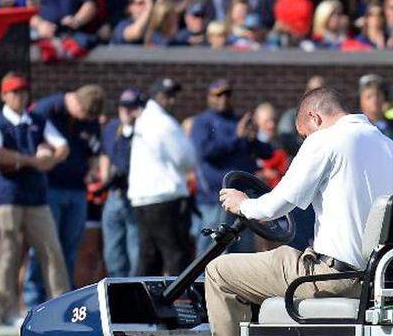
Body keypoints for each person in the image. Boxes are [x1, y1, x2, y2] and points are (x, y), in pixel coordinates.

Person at [188, 85, 393, 336]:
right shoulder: (389, 146)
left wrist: (242, 204)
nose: (305, 141)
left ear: (314, 118)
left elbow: (275, 205)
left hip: (330, 274)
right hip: (374, 276)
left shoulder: (327, 139)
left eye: (304, 135)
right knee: (276, 258)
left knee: (219, 271)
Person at [0, 73, 71, 325]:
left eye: (23, 91)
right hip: (5, 198)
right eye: (14, 92)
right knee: (5, 256)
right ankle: (8, 312)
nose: (20, 96)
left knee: (51, 251)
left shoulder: (38, 120)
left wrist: (50, 160)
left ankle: (61, 309)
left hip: (36, 197)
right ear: (3, 95)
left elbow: (62, 146)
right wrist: (34, 160)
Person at [24, 84, 105, 306]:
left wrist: (92, 169)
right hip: (49, 187)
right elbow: (30, 142)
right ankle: (34, 299)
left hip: (77, 188)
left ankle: (61, 301)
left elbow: (94, 152)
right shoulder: (46, 110)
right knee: (44, 245)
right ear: (77, 103)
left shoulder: (89, 119)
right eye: (85, 114)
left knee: (70, 246)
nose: (85, 119)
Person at [190, 78, 274, 254]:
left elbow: (267, 152)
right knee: (213, 253)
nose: (223, 99)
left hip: (242, 200)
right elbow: (206, 152)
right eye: (218, 95)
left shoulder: (238, 121)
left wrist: (252, 139)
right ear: (209, 97)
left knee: (242, 254)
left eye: (227, 94)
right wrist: (236, 137)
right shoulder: (203, 122)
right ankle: (205, 282)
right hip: (215, 198)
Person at [128, 77, 196, 276]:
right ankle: (181, 304)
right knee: (177, 255)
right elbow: (186, 158)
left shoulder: (144, 120)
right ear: (156, 96)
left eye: (173, 95)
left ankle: (142, 304)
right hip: (165, 199)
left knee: (149, 258)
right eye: (167, 96)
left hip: (142, 199)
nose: (172, 100)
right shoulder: (163, 122)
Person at [99, 88, 144, 278]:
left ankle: (133, 291)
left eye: (131, 107)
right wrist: (105, 176)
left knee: (135, 251)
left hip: (136, 197)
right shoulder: (112, 128)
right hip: (115, 195)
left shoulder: (144, 130)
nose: (127, 111)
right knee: (113, 251)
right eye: (123, 107)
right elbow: (105, 154)